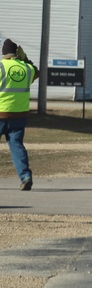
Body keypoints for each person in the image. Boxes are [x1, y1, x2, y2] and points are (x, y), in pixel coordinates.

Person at [0, 38, 38, 191]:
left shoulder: (1, 67)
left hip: (1, 113)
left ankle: (25, 177)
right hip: (19, 116)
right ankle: (25, 176)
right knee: (17, 146)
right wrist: (26, 59)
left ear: (3, 53)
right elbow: (37, 72)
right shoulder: (27, 68)